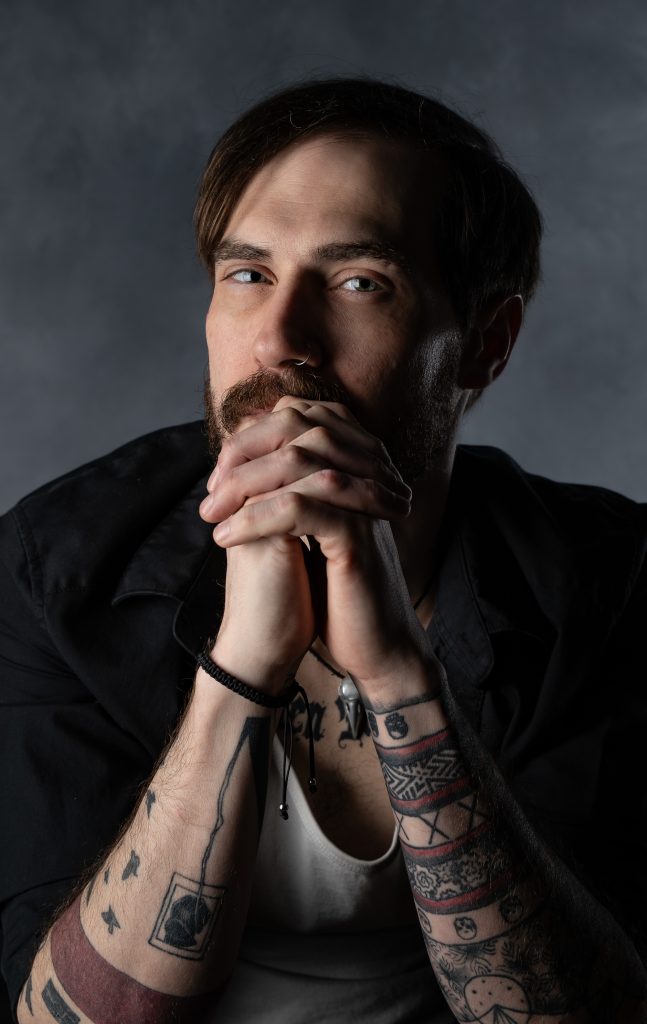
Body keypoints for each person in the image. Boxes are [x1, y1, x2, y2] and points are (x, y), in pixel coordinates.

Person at [1, 76, 645, 1024]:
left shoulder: (608, 583)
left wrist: (397, 675)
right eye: (248, 273)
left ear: (483, 345)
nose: (279, 339)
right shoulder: (59, 570)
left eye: (358, 282)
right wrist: (240, 669)